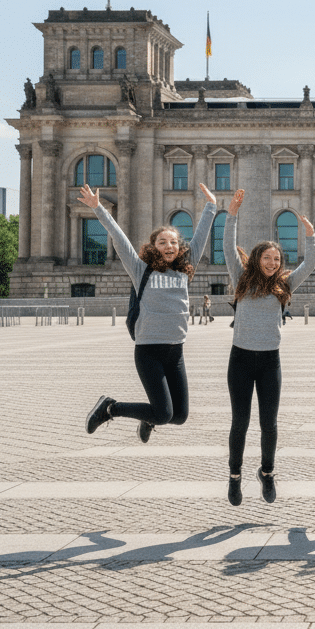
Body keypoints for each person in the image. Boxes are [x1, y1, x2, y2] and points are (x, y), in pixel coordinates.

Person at [79, 182, 217, 442]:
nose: (169, 245)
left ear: (179, 247)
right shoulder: (140, 269)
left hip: (175, 351)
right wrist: (98, 208)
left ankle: (147, 417)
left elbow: (201, 237)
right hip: (149, 351)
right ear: (154, 246)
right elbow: (119, 239)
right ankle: (110, 408)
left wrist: (211, 206)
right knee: (164, 414)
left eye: (174, 242)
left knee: (179, 416)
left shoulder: (185, 269)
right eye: (162, 241)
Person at [222, 190, 315, 506]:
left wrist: (311, 236)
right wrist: (232, 213)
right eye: (267, 258)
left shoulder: (284, 285)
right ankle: (234, 477)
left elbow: (310, 264)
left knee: (269, 423)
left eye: (277, 260)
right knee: (240, 422)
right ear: (257, 258)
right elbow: (225, 247)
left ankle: (267, 472)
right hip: (241, 360)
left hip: (269, 362)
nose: (273, 263)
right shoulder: (242, 279)